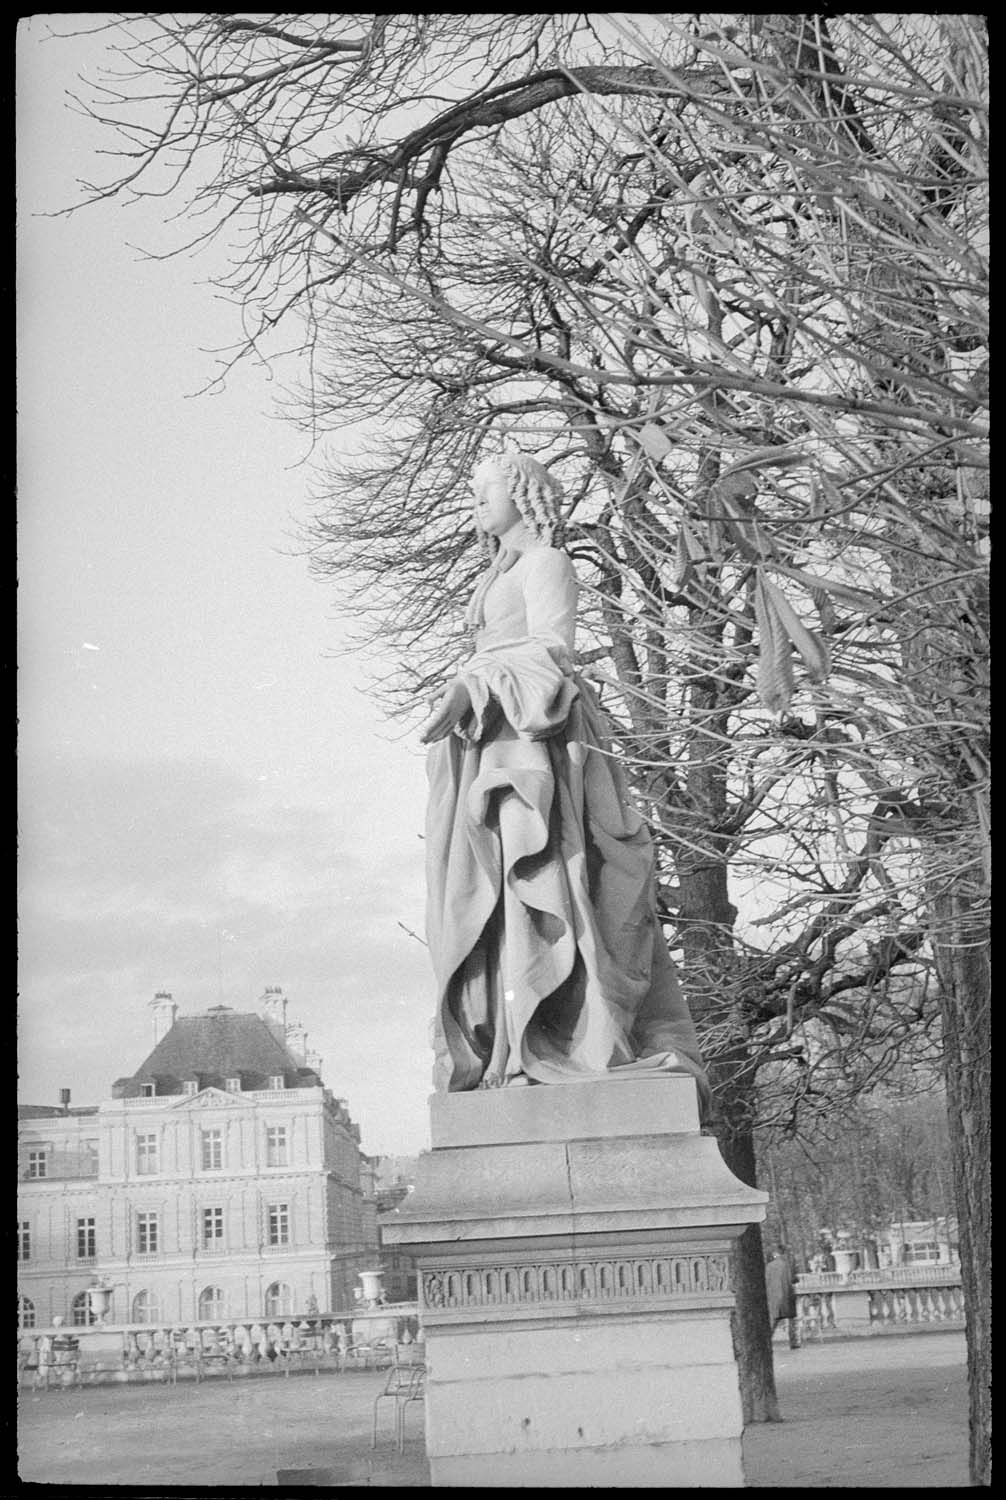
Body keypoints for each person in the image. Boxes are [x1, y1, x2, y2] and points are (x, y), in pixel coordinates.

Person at [420, 450, 709, 1107]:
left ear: (522, 492)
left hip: (538, 746)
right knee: (492, 904)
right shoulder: (503, 571)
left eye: (483, 490)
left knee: (549, 887)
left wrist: (476, 683)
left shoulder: (547, 564)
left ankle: (560, 1037)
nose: (475, 502)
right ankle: (511, 1047)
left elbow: (556, 648)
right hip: (494, 746)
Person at [765, 1248, 801, 1349]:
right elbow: (793, 1279)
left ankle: (767, 1342)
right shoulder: (788, 1265)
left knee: (773, 1321)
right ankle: (794, 1342)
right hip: (787, 1295)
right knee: (791, 1321)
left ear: (774, 1254)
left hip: (774, 1296)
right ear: (783, 1253)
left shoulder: (769, 1266)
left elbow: (766, 1281)